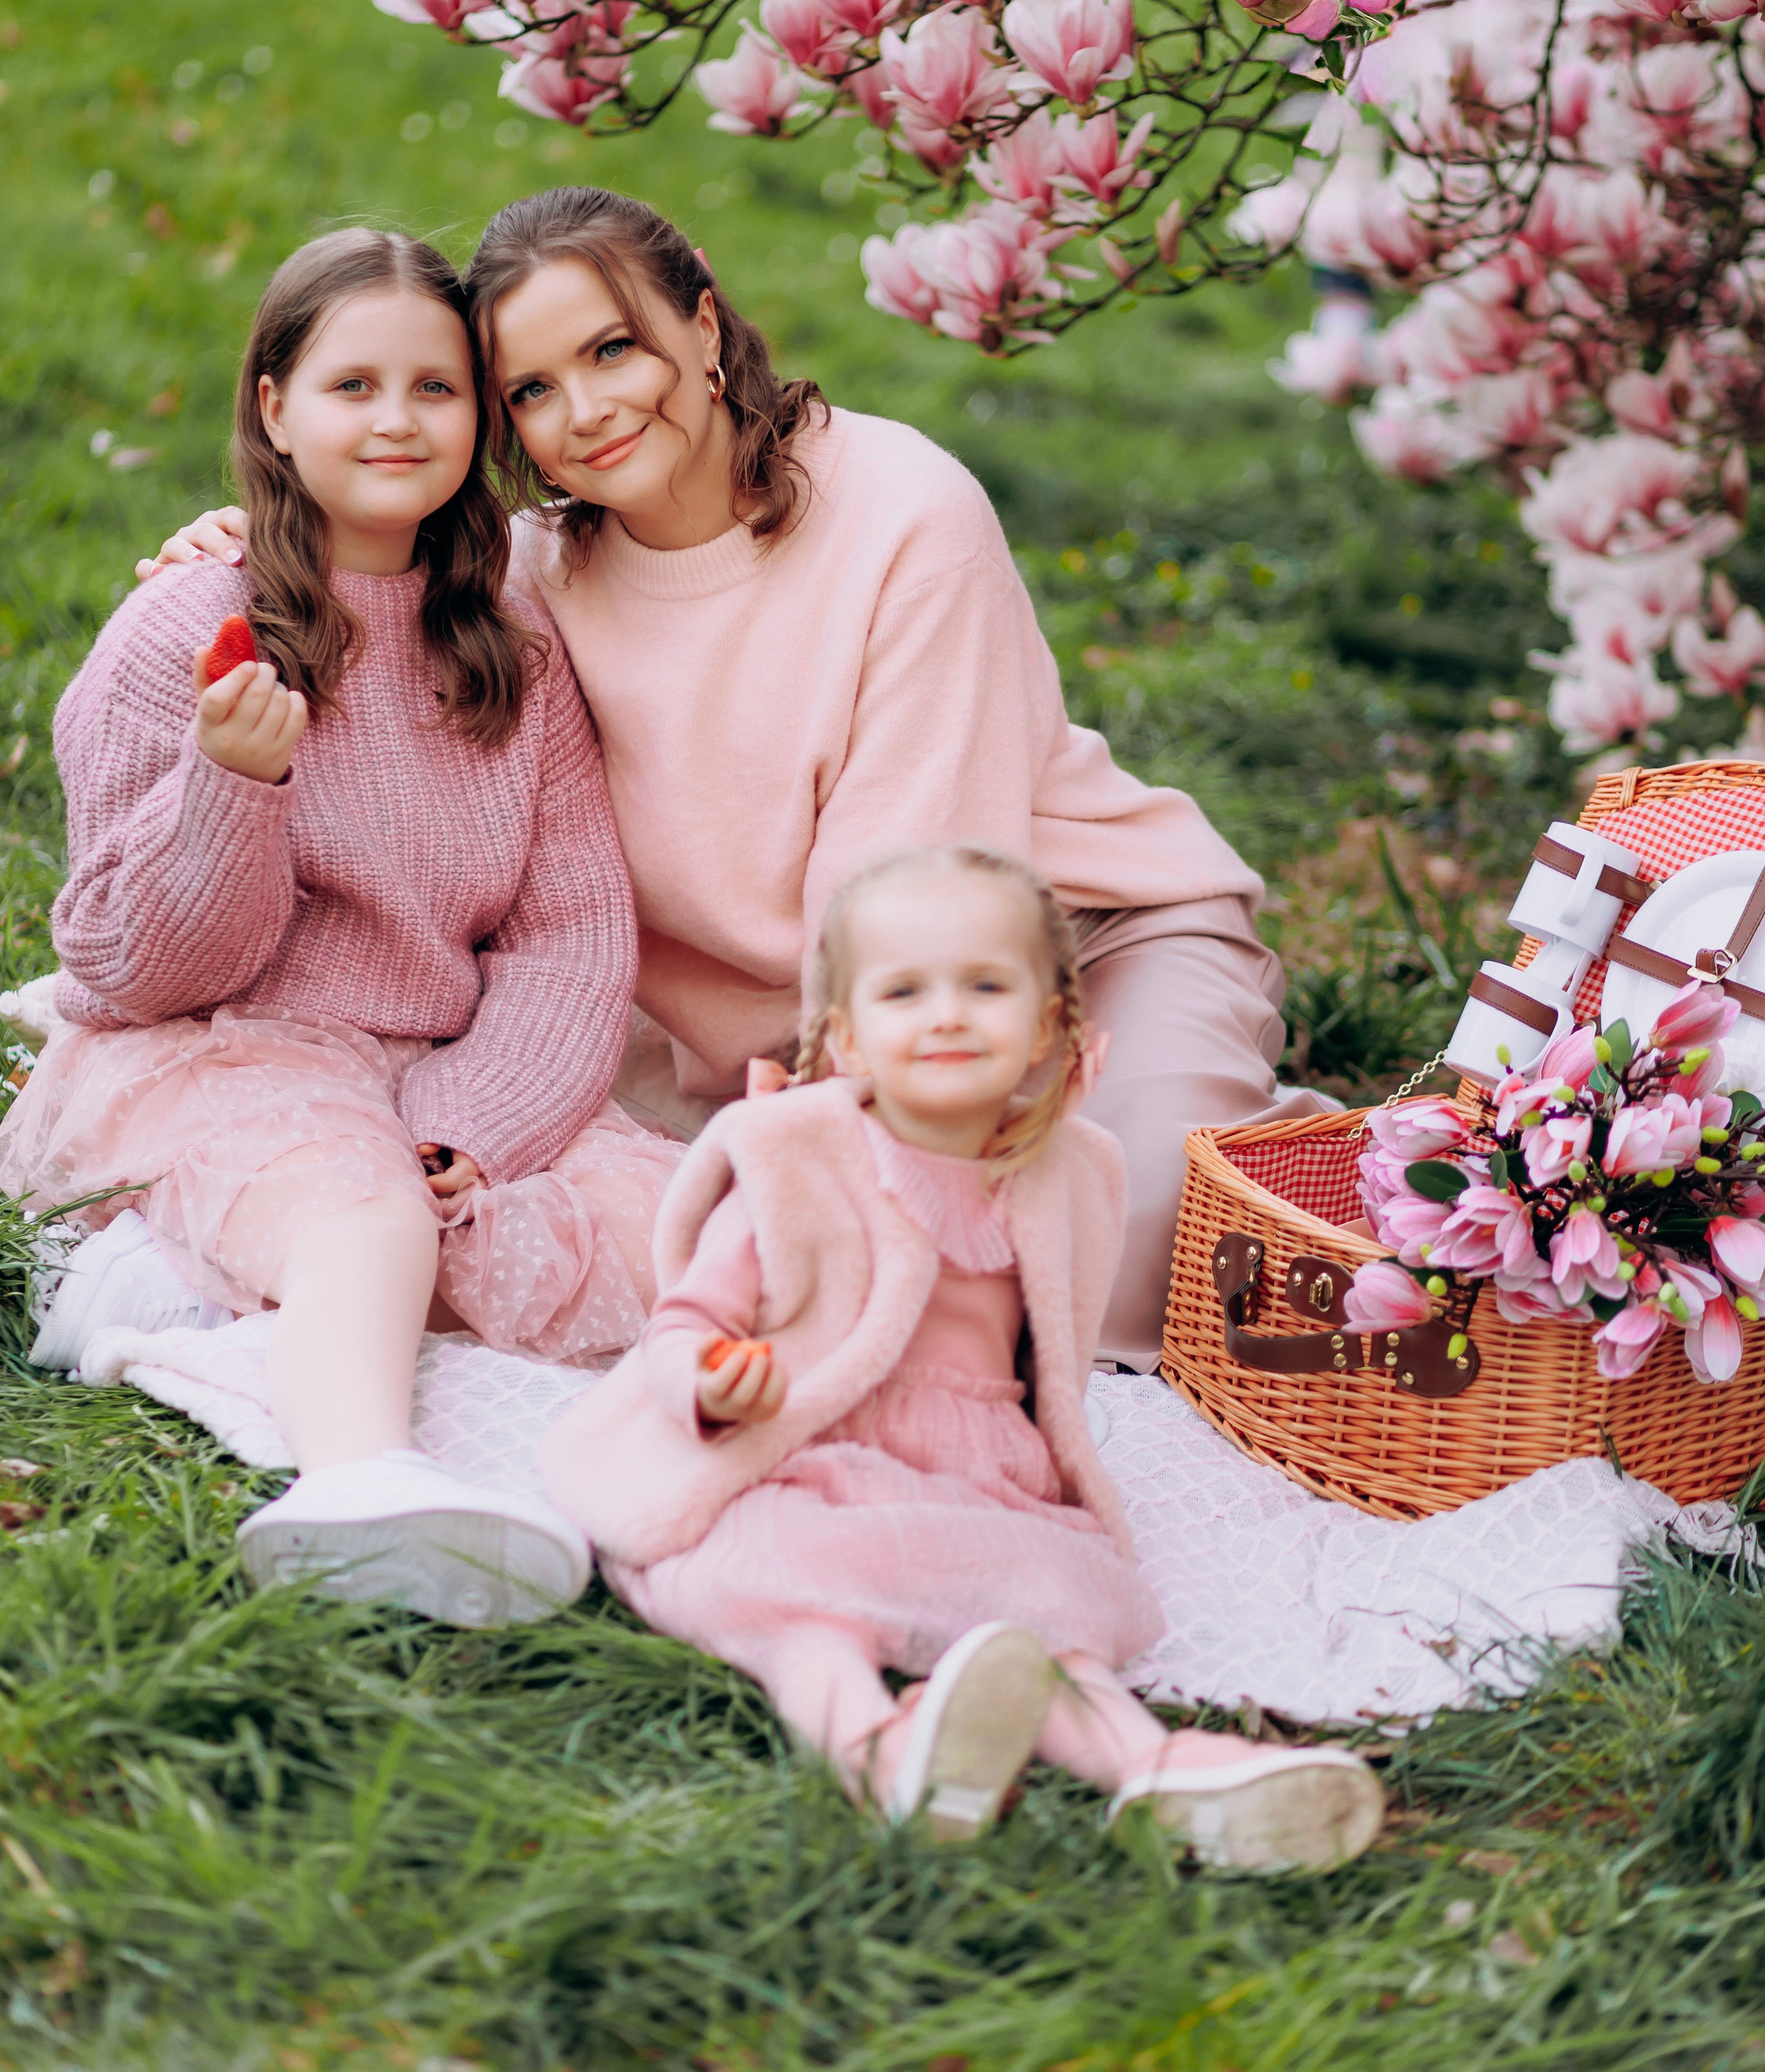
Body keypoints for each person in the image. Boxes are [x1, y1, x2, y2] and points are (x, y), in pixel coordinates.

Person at [139, 186, 1329, 1369]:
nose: (590, 410)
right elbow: (376, 633)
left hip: (1059, 952)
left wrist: (846, 1153)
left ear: (702, 325)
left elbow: (909, 888)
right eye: (533, 391)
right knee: (667, 1267)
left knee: (1085, 1267)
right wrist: (246, 552)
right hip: (732, 1047)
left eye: (614, 349)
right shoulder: (536, 584)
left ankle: (1368, 1177)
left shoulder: (905, 512)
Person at [3, 230, 680, 1623]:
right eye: (351, 385)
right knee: (365, 1212)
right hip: (218, 1042)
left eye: (434, 390)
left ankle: (189, 1295)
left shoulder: (509, 648)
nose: (393, 420)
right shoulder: (190, 627)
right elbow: (133, 970)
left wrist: (473, 1123)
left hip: (429, 1060)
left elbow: (569, 932)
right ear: (274, 407)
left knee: (651, 1229)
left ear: (479, 422)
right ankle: (360, 1478)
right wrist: (231, 787)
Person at [539, 846, 1383, 1862]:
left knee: (1057, 1605)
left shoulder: (1064, 1172)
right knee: (789, 1586)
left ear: (1050, 1025)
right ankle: (876, 1747)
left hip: (982, 1469)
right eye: (905, 991)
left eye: (986, 986)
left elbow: (1050, 1360)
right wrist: (714, 1385)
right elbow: (686, 1322)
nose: (947, 1014)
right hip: (810, 1447)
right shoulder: (804, 1161)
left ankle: (1155, 1769)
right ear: (845, 1037)